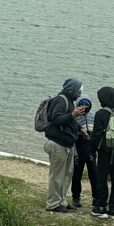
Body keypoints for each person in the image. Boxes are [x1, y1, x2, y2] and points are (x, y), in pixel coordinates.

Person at [42, 78, 88, 213]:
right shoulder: (60, 100)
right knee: (57, 175)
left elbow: (70, 120)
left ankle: (61, 201)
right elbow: (55, 119)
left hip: (68, 144)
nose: (79, 95)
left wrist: (80, 129)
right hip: (58, 144)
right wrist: (72, 114)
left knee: (67, 174)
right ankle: (52, 204)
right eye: (78, 91)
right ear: (72, 90)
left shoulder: (70, 102)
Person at [90, 86, 114, 220]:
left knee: (101, 178)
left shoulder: (101, 114)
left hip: (105, 151)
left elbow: (96, 135)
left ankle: (101, 207)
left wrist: (91, 150)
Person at [70, 96, 98, 209]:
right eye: (82, 105)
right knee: (77, 176)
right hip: (79, 150)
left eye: (86, 105)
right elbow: (73, 139)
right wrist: (75, 154)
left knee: (94, 176)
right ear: (78, 106)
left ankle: (96, 198)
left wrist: (95, 152)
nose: (84, 107)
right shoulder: (74, 118)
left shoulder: (93, 117)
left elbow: (96, 136)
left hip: (90, 151)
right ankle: (75, 198)